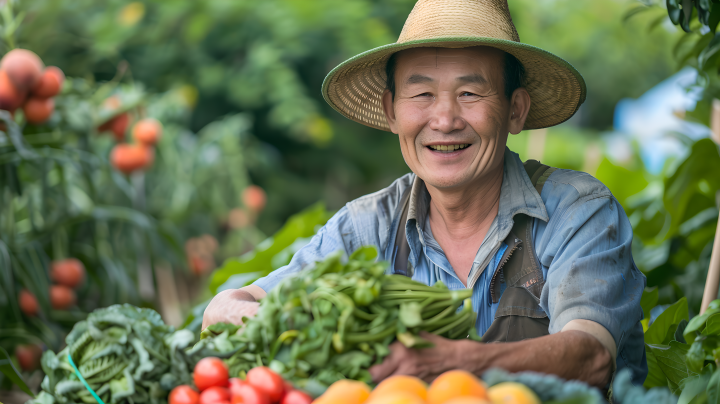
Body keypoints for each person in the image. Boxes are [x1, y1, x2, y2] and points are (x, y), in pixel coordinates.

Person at [202, 0, 647, 388]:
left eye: (470, 92)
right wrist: (280, 321)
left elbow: (591, 356)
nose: (445, 118)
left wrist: (453, 363)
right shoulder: (365, 228)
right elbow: (224, 310)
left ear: (515, 110)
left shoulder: (577, 212)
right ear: (391, 110)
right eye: (422, 93)